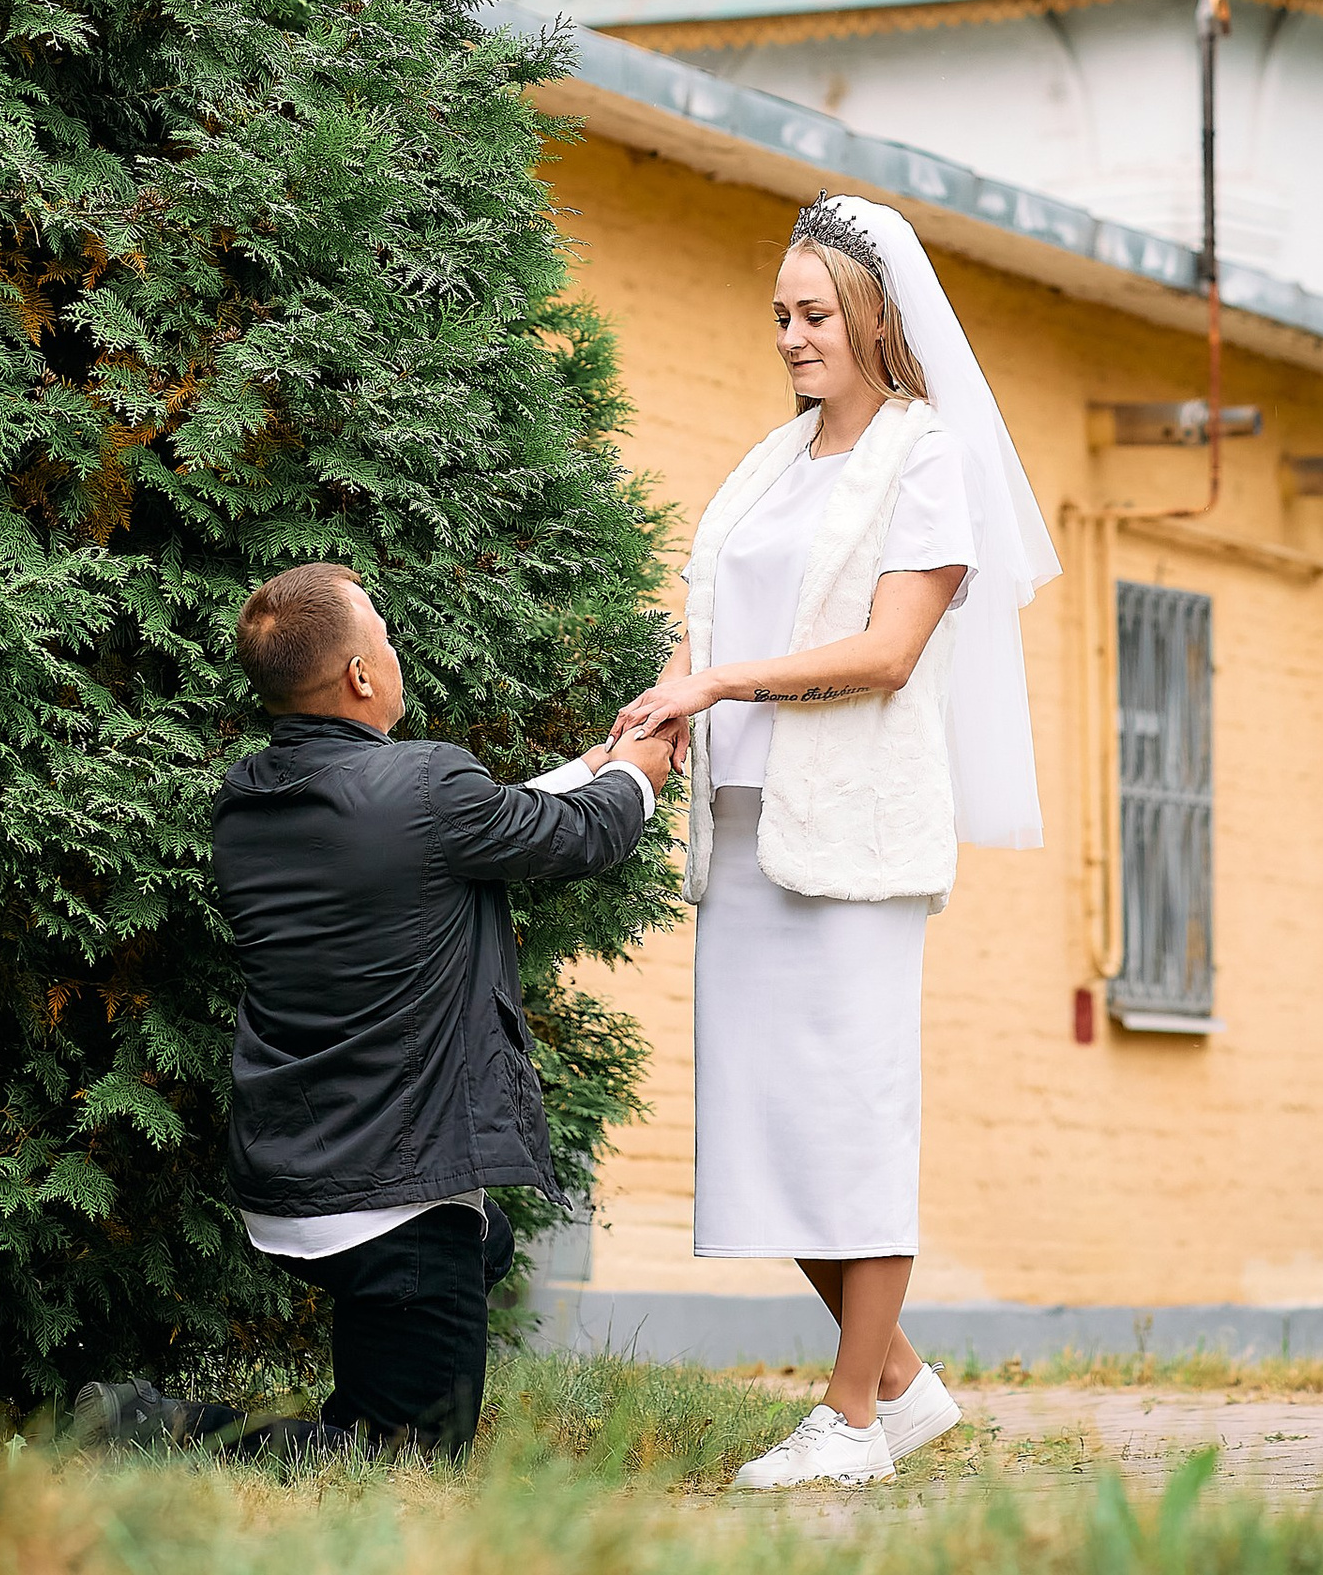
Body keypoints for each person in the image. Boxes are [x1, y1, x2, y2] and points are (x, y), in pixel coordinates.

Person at [609, 195, 1058, 1488]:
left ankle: (851, 1419)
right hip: (748, 833)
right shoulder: (771, 461)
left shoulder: (928, 457)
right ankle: (906, 1388)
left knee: (853, 1122)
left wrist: (723, 684)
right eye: (781, 316)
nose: (793, 336)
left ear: (872, 316)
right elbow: (715, 617)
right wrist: (664, 696)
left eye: (813, 313)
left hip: (857, 836)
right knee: (763, 1127)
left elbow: (888, 648)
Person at [80, 563, 677, 1463]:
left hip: (303, 1165)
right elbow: (577, 834)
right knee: (406, 1452)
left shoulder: (249, 801)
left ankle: (397, 1348)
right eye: (386, 640)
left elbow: (481, 820)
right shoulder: (424, 787)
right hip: (395, 1190)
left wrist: (595, 764)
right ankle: (144, 1425)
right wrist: (635, 776)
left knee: (482, 1242)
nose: (395, 655)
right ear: (361, 675)